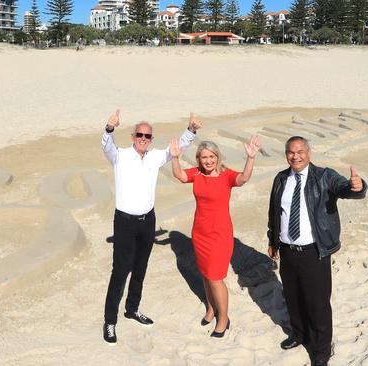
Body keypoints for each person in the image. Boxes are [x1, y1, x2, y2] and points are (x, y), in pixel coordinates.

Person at [101, 109, 202, 345]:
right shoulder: (120, 155)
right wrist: (108, 128)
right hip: (124, 222)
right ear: (133, 136)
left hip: (148, 221)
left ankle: (132, 308)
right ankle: (110, 321)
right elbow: (106, 146)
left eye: (147, 136)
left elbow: (176, 150)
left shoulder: (156, 156)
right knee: (120, 271)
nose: (143, 139)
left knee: (140, 268)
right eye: (140, 135)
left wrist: (191, 131)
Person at [267, 136, 367, 366]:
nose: (296, 156)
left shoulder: (324, 176)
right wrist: (273, 239)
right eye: (291, 152)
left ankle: (322, 351)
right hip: (288, 251)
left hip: (315, 251)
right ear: (286, 155)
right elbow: (274, 211)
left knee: (318, 303)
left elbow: (344, 189)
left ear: (309, 153)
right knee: (293, 298)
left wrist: (356, 187)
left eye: (300, 151)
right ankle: (300, 335)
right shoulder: (281, 178)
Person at [170, 135, 261, 337]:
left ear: (217, 157)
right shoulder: (197, 174)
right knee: (205, 274)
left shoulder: (226, 175)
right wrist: (174, 157)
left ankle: (224, 318)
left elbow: (243, 178)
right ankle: (211, 309)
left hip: (219, 234)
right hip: (200, 233)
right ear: (199, 159)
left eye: (211, 156)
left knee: (215, 277)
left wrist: (250, 158)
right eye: (204, 157)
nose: (208, 161)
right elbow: (179, 175)